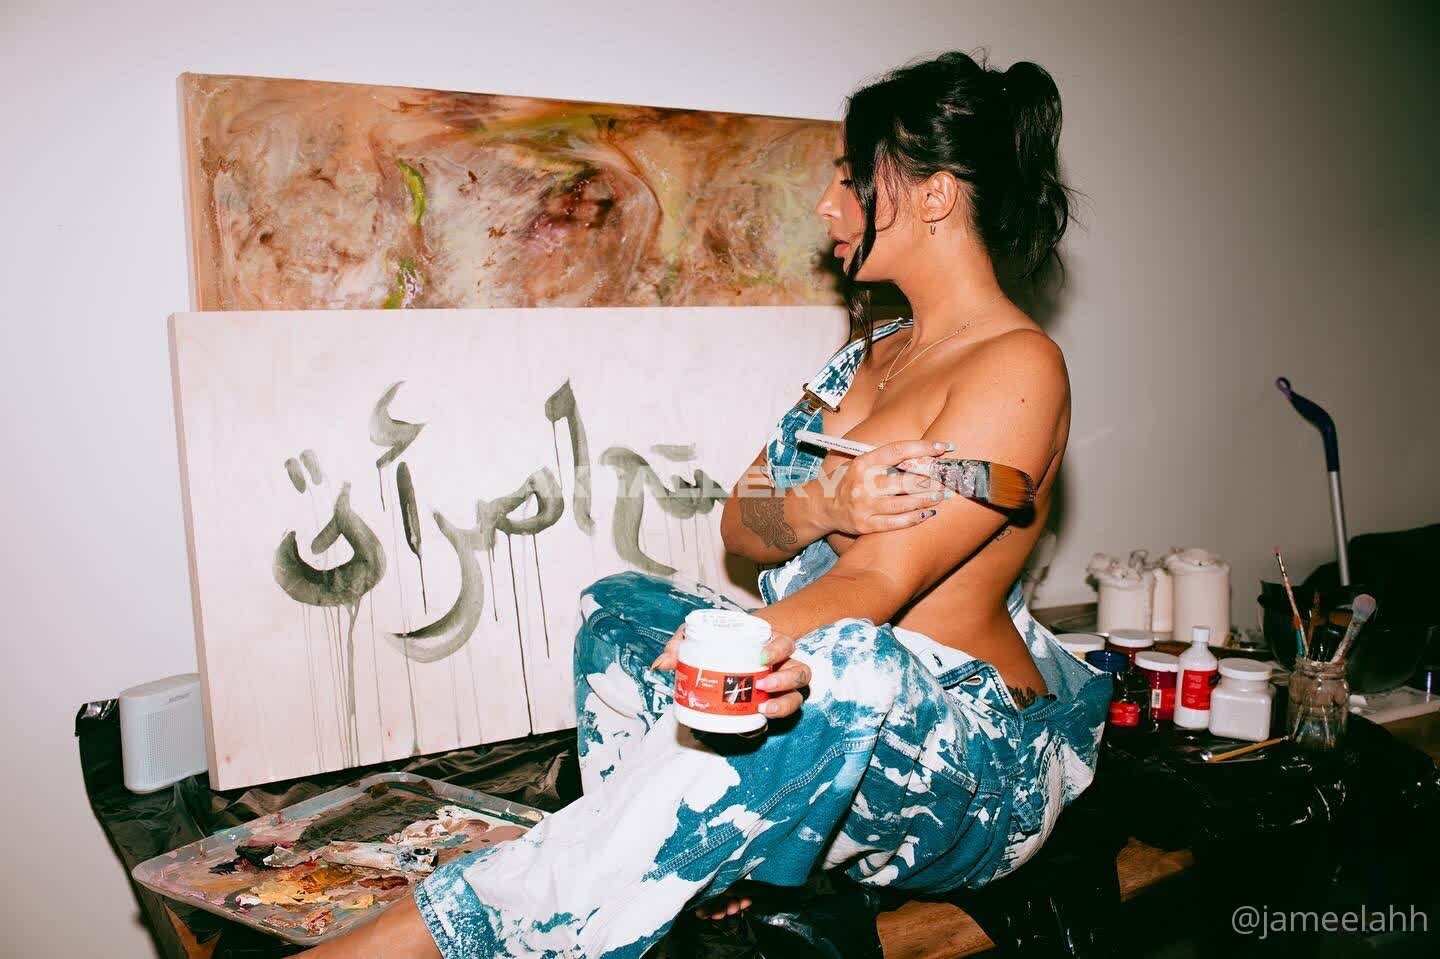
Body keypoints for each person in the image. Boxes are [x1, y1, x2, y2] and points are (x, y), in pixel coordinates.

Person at [305, 49, 1108, 959]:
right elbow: (743, 521)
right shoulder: (868, 356)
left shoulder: (1017, 366)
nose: (828, 206)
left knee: (846, 662)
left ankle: (448, 927)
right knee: (618, 609)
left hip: (968, 769)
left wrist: (737, 646)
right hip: (832, 707)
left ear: (932, 194)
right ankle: (689, 860)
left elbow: (877, 587)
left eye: (852, 178)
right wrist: (825, 501)